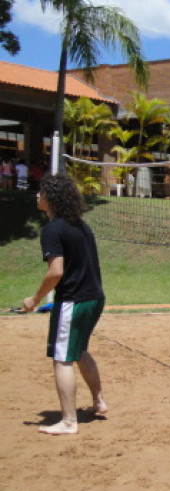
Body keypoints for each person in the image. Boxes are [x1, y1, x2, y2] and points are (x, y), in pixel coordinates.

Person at [22, 174, 107, 435]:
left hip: (74, 300)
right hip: (94, 297)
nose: (38, 195)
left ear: (52, 198)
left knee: (62, 358)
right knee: (79, 350)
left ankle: (69, 421)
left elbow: (56, 271)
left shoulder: (53, 229)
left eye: (42, 192)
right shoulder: (80, 225)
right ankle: (99, 401)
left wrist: (35, 299)